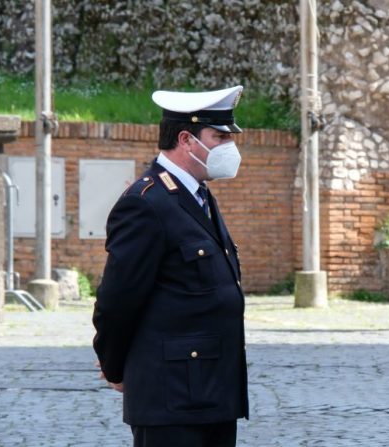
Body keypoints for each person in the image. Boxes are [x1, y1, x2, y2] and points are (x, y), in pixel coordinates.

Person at [93, 85, 248, 447]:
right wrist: (115, 367)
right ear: (187, 139)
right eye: (219, 136)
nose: (229, 146)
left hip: (213, 393)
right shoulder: (146, 203)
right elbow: (117, 300)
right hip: (171, 398)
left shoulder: (198, 195)